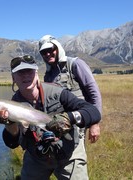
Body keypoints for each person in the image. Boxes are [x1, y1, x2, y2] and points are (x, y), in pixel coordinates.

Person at [0, 55, 101, 179]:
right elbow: (12, 143)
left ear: (36, 74)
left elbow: (93, 111)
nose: (25, 75)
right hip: (37, 157)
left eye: (29, 71)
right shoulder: (12, 105)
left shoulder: (58, 92)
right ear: (13, 78)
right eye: (20, 73)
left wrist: (69, 118)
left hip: (69, 153)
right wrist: (9, 124)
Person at [38, 35, 102, 179]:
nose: (48, 54)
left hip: (79, 122)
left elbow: (94, 92)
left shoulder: (75, 64)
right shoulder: (48, 74)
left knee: (76, 159)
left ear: (57, 47)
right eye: (43, 52)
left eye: (50, 49)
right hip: (60, 125)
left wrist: (95, 123)